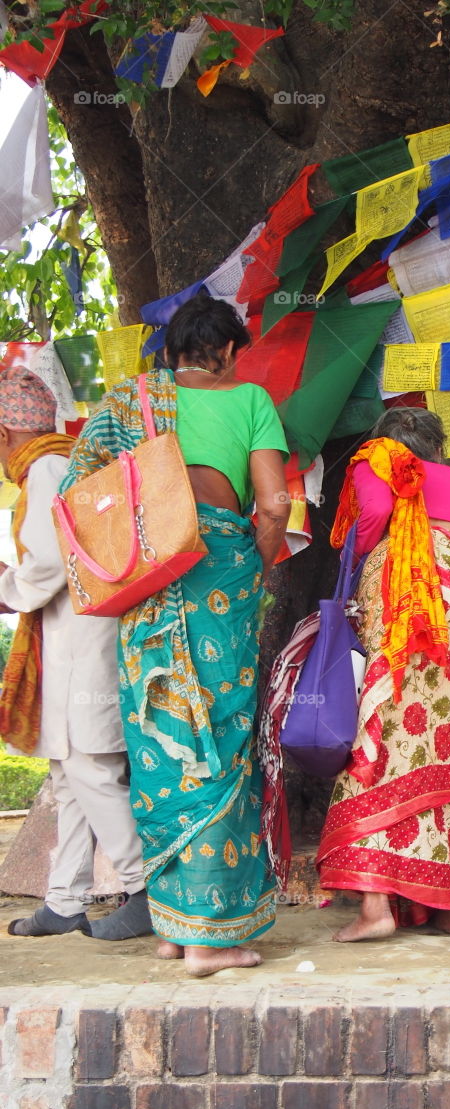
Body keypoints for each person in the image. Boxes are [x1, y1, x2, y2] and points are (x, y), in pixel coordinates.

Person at [59, 296, 290, 976]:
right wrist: (257, 564)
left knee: (163, 743)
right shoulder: (250, 401)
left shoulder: (130, 406)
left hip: (145, 583)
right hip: (217, 574)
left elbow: (85, 490)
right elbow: (273, 502)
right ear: (224, 351)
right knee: (216, 741)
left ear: (172, 353)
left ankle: (172, 924)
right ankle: (211, 941)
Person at [315, 407, 450, 942]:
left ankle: (377, 908)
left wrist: (361, 555)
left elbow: (378, 508)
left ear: (385, 442)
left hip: (406, 595)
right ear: (438, 447)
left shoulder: (376, 460)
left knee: (380, 741)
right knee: (445, 747)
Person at [0, 367, 150, 940]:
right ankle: (64, 901)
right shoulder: (63, 459)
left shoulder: (44, 467)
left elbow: (44, 561)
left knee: (89, 765)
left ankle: (143, 888)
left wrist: (8, 590)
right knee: (70, 772)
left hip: (83, 638)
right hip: (78, 634)